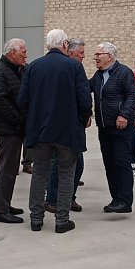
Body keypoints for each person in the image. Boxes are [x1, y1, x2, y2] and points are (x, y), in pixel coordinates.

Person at [17, 29, 92, 233]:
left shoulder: (34, 67)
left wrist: (33, 117)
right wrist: (85, 117)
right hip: (67, 131)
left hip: (41, 131)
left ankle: (36, 219)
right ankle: (61, 220)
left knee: (39, 173)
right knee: (67, 174)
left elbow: (22, 100)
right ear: (65, 45)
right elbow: (84, 99)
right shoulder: (74, 66)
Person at [90, 42, 135, 214]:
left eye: (98, 54)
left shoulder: (124, 72)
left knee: (121, 162)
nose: (95, 58)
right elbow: (86, 87)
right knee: (109, 163)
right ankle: (116, 198)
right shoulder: (98, 75)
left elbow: (132, 96)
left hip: (121, 127)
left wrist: (124, 115)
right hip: (104, 126)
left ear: (109, 56)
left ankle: (125, 201)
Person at [45, 37, 87, 212]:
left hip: (73, 124)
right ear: (71, 52)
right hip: (62, 125)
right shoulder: (69, 68)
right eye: (82, 53)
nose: (84, 56)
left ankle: (69, 197)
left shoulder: (75, 67)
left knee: (77, 164)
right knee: (57, 164)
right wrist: (86, 114)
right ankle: (53, 199)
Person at [0, 38, 28, 223]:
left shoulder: (17, 70)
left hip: (14, 128)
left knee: (11, 169)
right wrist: (19, 120)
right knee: (6, 169)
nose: (25, 55)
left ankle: (5, 203)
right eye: (23, 52)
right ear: (12, 53)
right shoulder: (0, 70)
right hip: (8, 129)